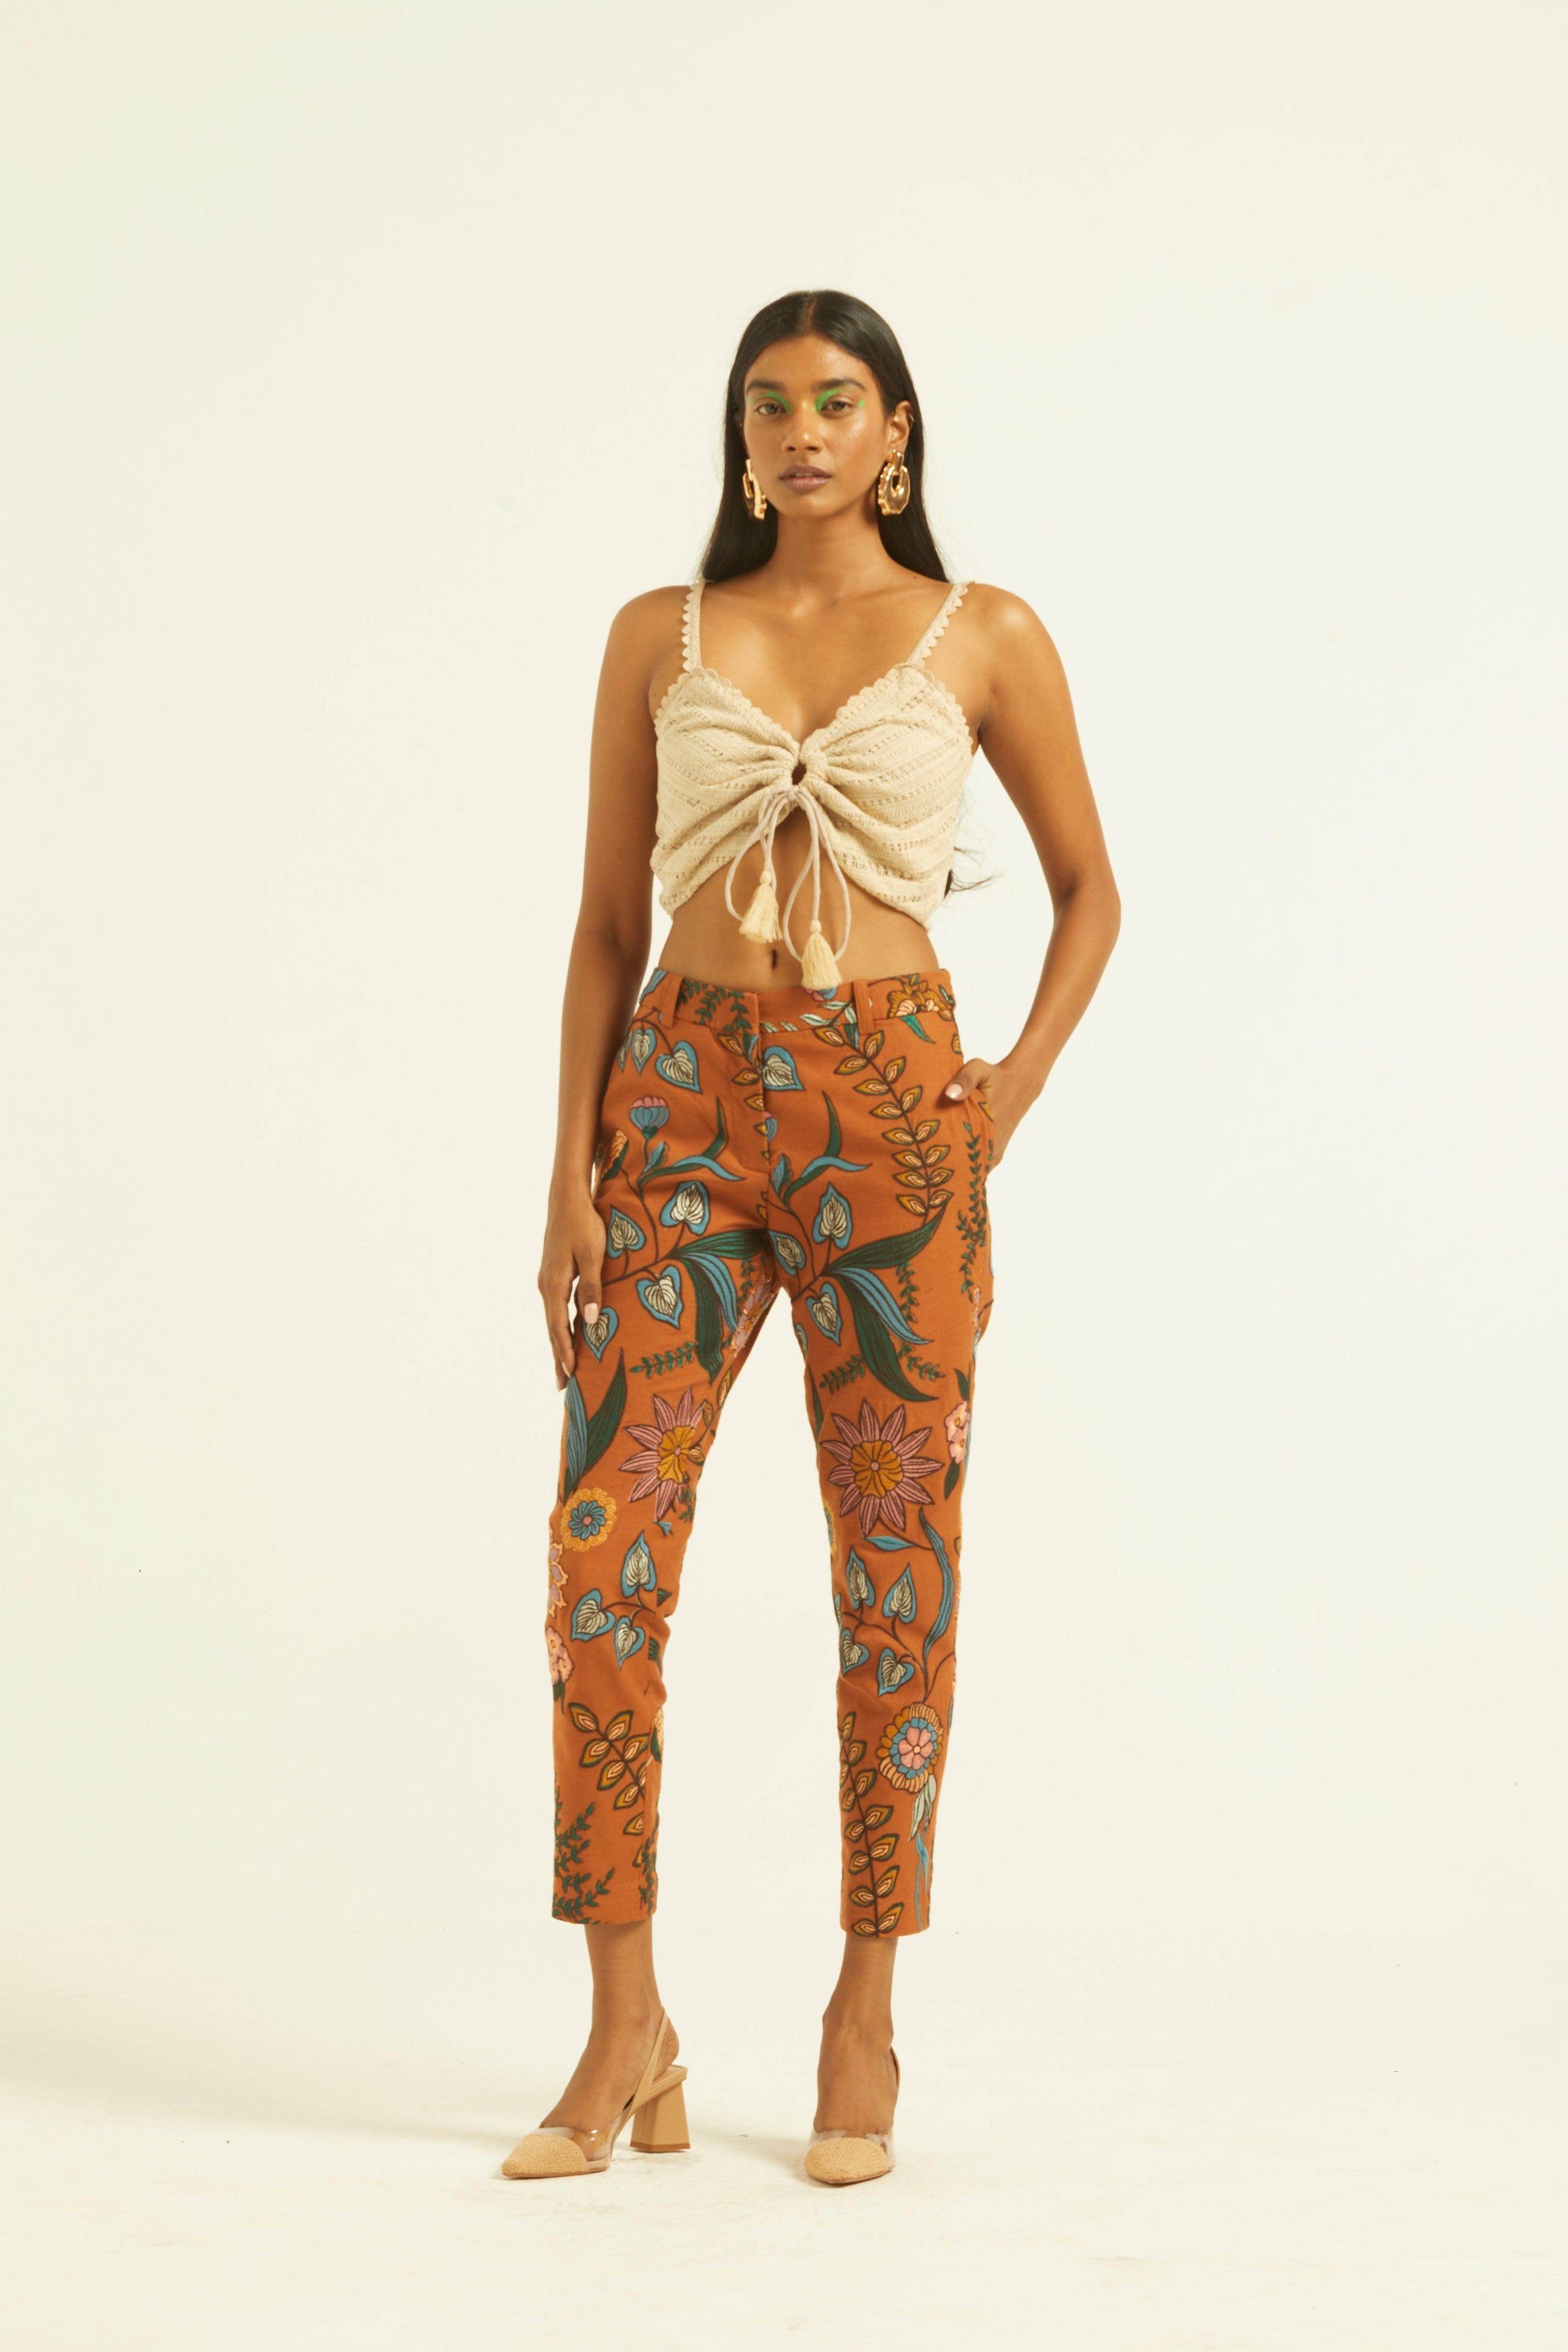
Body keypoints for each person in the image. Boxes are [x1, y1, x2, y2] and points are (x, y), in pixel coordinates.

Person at [502, 288, 1121, 2187]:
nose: (798, 428)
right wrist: (566, 1176)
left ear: (895, 429)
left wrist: (1001, 1094)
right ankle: (626, 2019)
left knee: (895, 1563)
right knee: (600, 1555)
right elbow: (605, 925)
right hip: (676, 1105)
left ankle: (866, 2006)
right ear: (740, 432)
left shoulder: (982, 632)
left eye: (835, 400)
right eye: (767, 401)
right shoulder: (661, 632)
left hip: (892, 1107)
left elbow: (1093, 891)